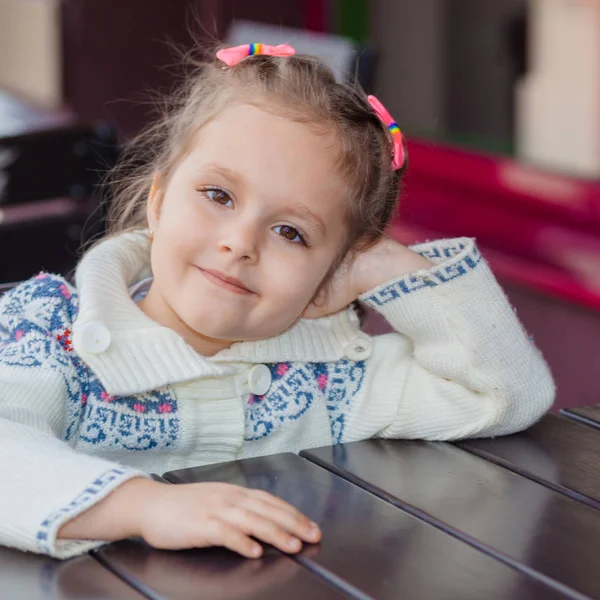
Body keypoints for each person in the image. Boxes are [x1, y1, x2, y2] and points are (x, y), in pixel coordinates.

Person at [0, 43, 554, 560]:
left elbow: (503, 393)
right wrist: (144, 507)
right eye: (218, 195)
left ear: (332, 273)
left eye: (292, 233)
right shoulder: (52, 338)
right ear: (159, 202)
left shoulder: (328, 379)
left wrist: (390, 265)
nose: (240, 243)